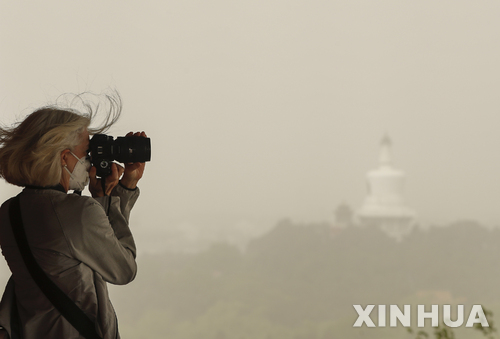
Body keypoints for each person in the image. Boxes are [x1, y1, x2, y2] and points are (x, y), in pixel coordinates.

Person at [0, 94, 146, 338]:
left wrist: (112, 194)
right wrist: (109, 199)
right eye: (87, 152)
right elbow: (123, 268)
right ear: (64, 157)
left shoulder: (8, 212)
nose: (91, 161)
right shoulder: (79, 212)